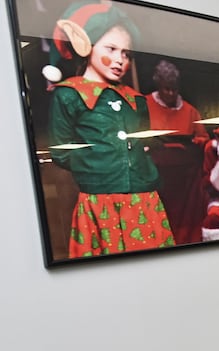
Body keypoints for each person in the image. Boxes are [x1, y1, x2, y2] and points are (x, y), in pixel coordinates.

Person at [48, 3, 175, 258]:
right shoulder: (69, 95)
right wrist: (98, 167)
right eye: (111, 49)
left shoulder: (136, 99)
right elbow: (61, 152)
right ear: (88, 46)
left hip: (144, 200)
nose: (120, 59)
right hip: (100, 202)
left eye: (127, 54)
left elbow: (143, 142)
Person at [146, 60, 209, 244]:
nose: (171, 93)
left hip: (186, 179)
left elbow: (203, 137)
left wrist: (198, 141)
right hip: (158, 176)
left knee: (188, 226)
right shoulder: (146, 105)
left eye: (174, 89)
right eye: (167, 89)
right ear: (159, 86)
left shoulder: (190, 111)